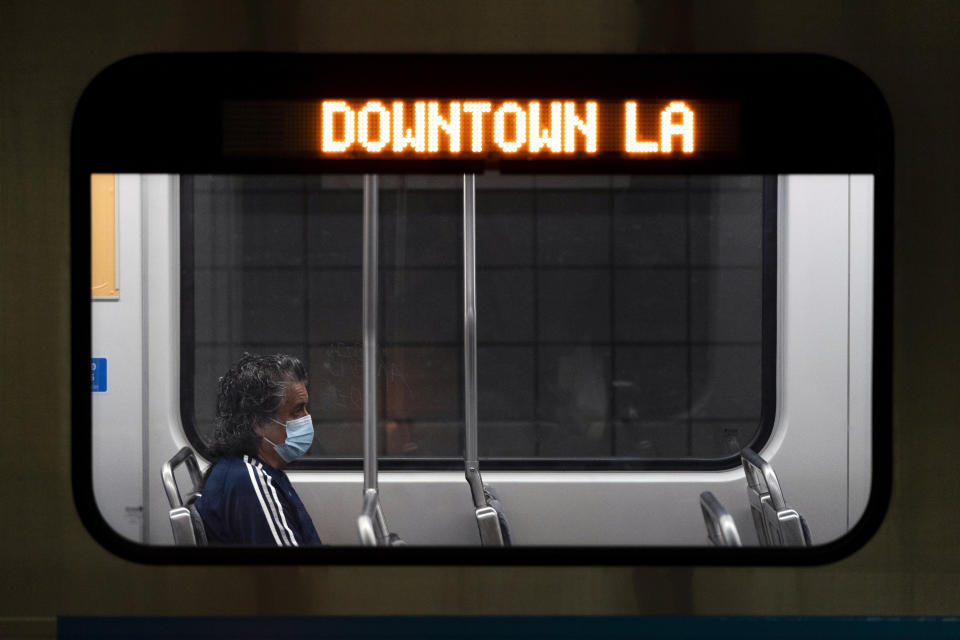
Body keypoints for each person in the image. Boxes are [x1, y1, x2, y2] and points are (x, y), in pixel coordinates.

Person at [195, 353, 322, 546]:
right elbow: (293, 573)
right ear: (259, 424)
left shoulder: (257, 470)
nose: (307, 418)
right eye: (297, 411)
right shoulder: (249, 482)